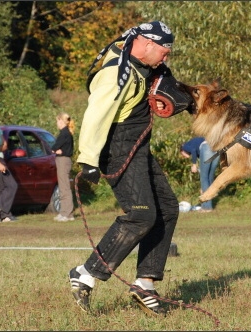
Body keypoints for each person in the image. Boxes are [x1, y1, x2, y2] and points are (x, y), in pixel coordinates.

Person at [69, 21, 193, 316]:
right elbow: (95, 116)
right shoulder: (116, 73)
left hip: (138, 146)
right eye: (164, 52)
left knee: (167, 209)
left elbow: (163, 81)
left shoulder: (143, 63)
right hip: (117, 148)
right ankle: (84, 274)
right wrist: (87, 160)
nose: (166, 59)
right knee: (141, 215)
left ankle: (144, 284)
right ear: (148, 44)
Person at [180, 137, 220, 212]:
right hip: (216, 148)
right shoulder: (195, 144)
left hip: (206, 147)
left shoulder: (185, 146)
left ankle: (206, 208)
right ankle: (209, 205)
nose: (184, 157)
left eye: (182, 155)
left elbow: (193, 150)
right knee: (209, 178)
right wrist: (203, 187)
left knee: (204, 179)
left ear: (182, 151)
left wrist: (194, 164)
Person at [0, 126, 18, 223]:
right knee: (12, 185)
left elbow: (4, 145)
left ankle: (4, 214)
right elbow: (3, 145)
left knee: (1, 188)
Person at [51, 112, 75, 222]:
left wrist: (58, 150)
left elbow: (54, 147)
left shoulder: (64, 134)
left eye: (57, 121)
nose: (57, 123)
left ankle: (68, 213)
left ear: (61, 120)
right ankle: (64, 212)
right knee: (63, 186)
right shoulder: (67, 133)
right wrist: (58, 150)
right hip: (63, 160)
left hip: (63, 161)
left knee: (64, 187)